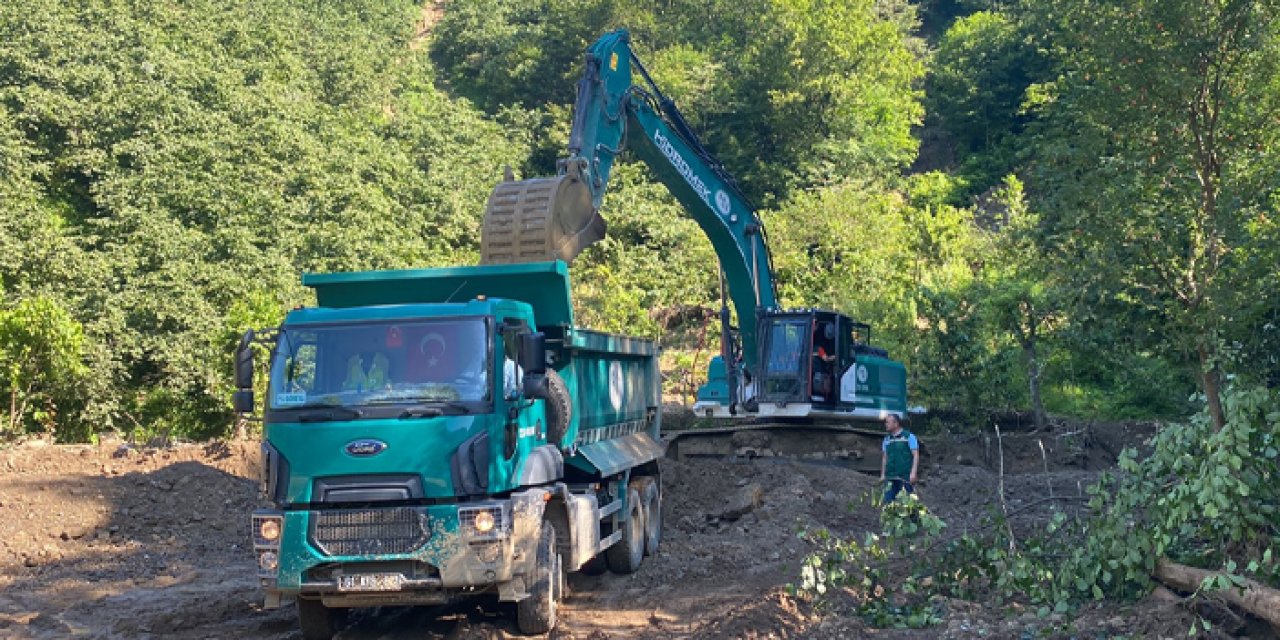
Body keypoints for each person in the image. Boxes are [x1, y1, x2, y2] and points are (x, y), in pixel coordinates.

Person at [879, 413, 919, 505]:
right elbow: (885, 457)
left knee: (907, 505)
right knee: (888, 503)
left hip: (905, 477)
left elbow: (915, 455)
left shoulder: (909, 437)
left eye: (888, 422)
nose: (886, 424)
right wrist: (882, 475)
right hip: (890, 477)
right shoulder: (887, 439)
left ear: (896, 423)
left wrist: (913, 473)